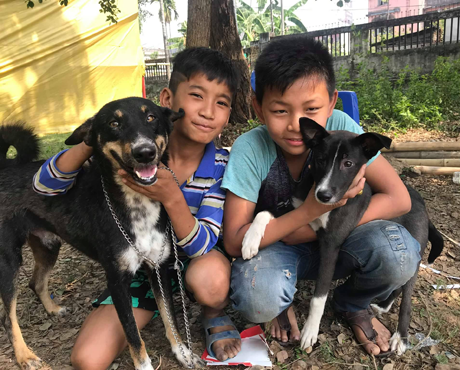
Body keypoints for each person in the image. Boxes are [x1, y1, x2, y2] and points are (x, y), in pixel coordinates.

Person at [33, 47, 242, 369]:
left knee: (211, 281)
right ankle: (149, 308)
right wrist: (94, 136)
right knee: (87, 359)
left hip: (193, 262)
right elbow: (44, 187)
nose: (208, 112)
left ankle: (212, 313)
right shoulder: (125, 155)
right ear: (168, 100)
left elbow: (202, 244)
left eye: (222, 103)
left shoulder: (222, 166)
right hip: (141, 270)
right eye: (197, 96)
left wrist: (173, 197)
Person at [221, 35, 421, 356]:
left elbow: (399, 199)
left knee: (400, 254)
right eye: (280, 110)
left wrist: (336, 224)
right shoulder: (250, 148)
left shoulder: (342, 130)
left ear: (331, 102)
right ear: (258, 108)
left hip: (342, 245)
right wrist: (309, 214)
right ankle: (282, 304)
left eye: (311, 109)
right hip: (278, 250)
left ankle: (351, 303)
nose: (297, 126)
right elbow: (234, 241)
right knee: (257, 296)